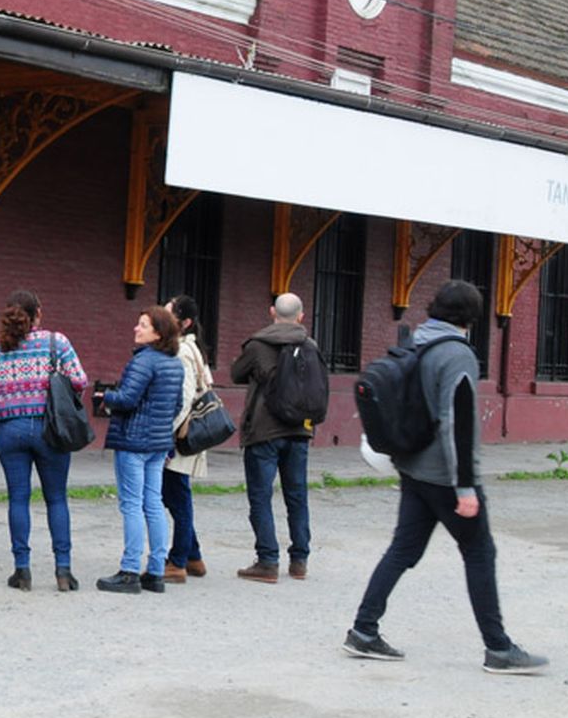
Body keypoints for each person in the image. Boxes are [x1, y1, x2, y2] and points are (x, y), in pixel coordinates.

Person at [343, 281, 549, 674]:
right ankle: (499, 648)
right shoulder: (457, 355)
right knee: (480, 553)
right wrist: (466, 486)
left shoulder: (418, 340)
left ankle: (363, 631)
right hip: (445, 476)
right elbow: (460, 422)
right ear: (472, 317)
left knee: (402, 551)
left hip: (413, 468)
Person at [0, 290, 88, 592]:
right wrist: (62, 403)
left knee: (18, 498)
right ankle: (63, 570)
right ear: (38, 313)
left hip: (10, 430)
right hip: (50, 430)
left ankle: (22, 571)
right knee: (56, 498)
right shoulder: (56, 342)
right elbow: (80, 380)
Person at [96, 306, 184, 594]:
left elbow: (127, 398)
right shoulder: (174, 363)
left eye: (143, 325)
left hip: (133, 441)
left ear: (157, 333)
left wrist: (104, 396)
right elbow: (178, 405)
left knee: (131, 504)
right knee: (154, 503)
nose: (136, 328)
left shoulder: (143, 361)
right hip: (159, 442)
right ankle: (156, 570)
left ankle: (129, 570)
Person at [230, 292, 314, 583]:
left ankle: (267, 561)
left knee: (261, 496)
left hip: (263, 430)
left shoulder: (257, 344)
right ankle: (300, 560)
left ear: (271, 312)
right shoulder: (310, 345)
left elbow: (235, 373)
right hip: (299, 430)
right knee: (297, 495)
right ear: (301, 316)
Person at [162, 294, 212, 584]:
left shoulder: (181, 351)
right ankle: (193, 557)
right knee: (175, 494)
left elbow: (182, 399)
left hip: (180, 437)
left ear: (185, 322)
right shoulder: (192, 349)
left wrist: (165, 433)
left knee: (177, 498)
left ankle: (178, 560)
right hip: (187, 435)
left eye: (169, 315)